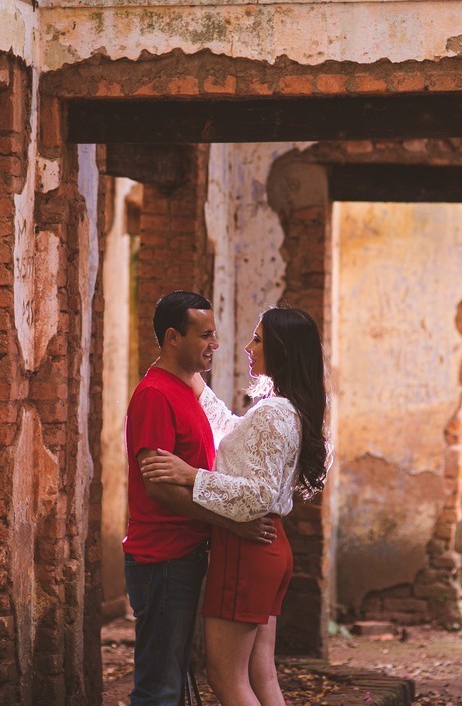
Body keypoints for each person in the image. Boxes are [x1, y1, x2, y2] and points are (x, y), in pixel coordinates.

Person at [141, 305, 330, 706]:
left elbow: (257, 495)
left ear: (283, 349)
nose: (248, 346)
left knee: (226, 678)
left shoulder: (274, 413)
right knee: (261, 674)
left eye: (258, 339)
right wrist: (191, 377)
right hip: (270, 547)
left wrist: (189, 474)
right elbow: (229, 429)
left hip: (247, 549)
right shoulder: (284, 407)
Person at [124, 291, 277, 706]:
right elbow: (159, 486)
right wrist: (230, 521)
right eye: (205, 335)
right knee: (158, 685)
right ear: (173, 338)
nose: (215, 344)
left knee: (176, 680)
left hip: (185, 554)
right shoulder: (155, 394)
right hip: (163, 558)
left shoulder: (187, 386)